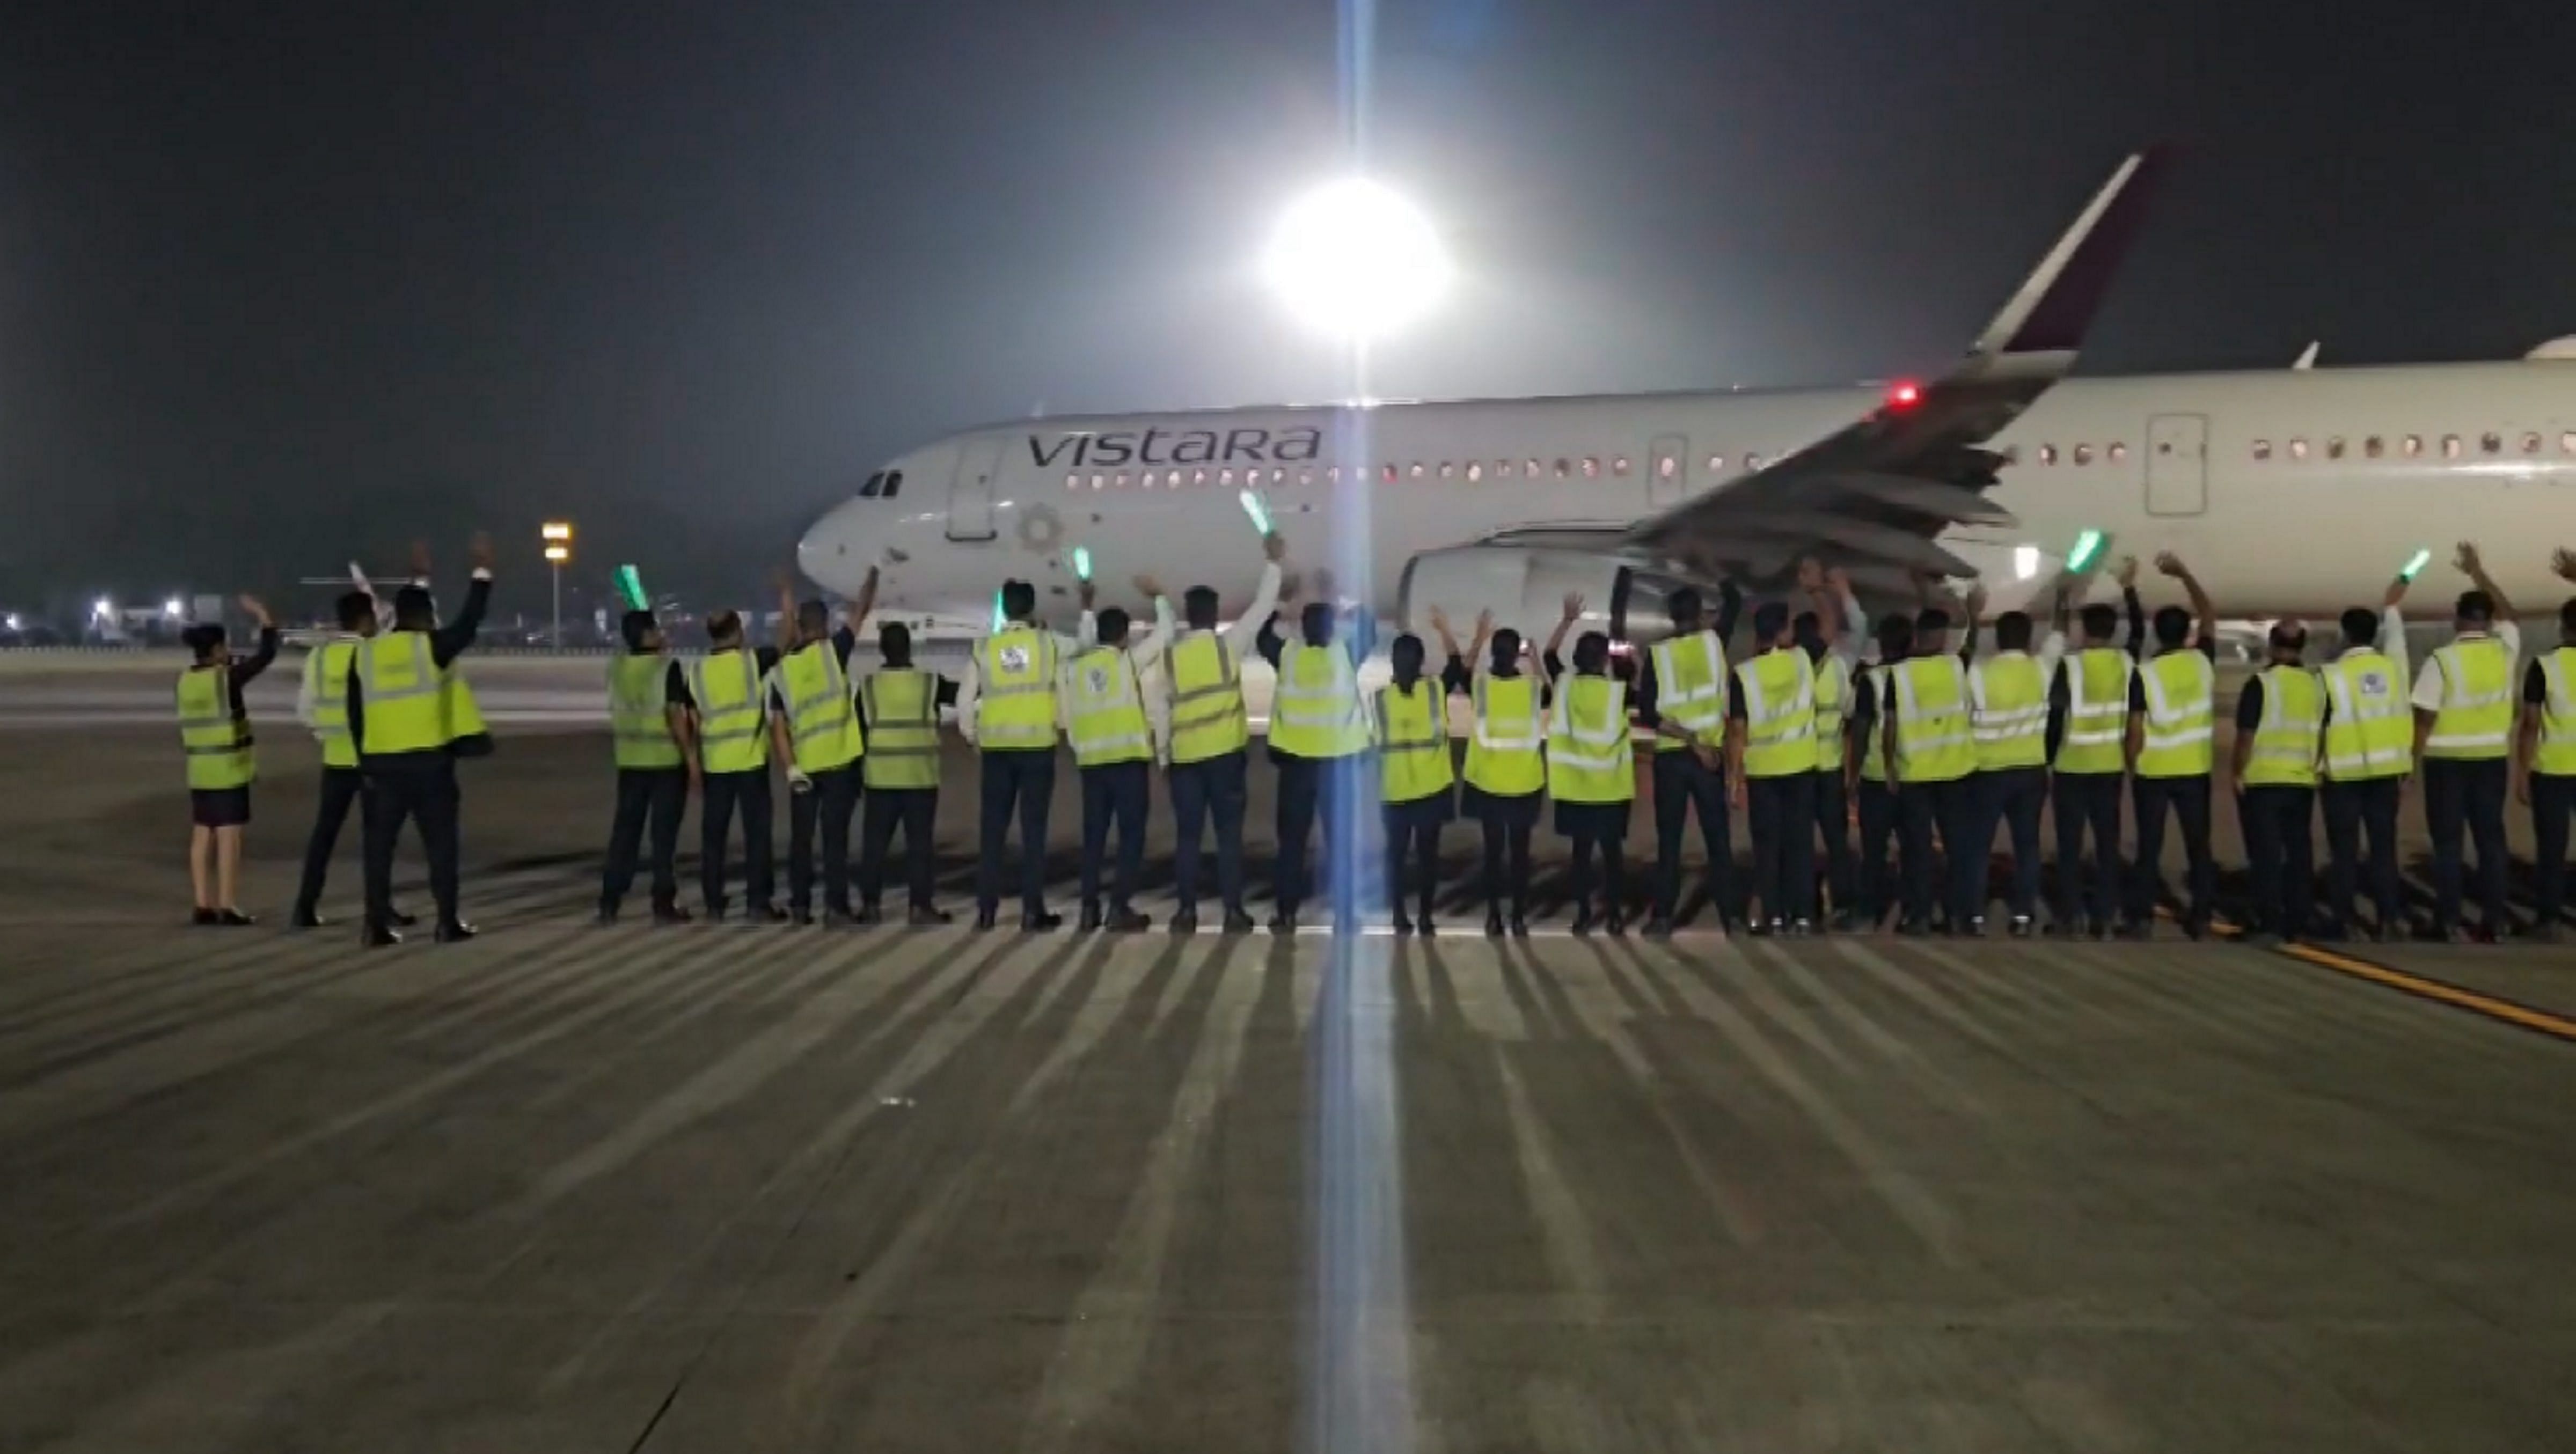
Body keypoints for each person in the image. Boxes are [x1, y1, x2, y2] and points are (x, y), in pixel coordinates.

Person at [348, 533, 493, 945]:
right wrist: (482, 573)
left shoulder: (368, 654)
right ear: (429, 617)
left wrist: (365, 764)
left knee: (379, 851)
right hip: (429, 765)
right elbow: (469, 622)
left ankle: (374, 925)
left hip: (381, 766)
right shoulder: (431, 647)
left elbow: (355, 715)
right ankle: (447, 922)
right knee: (441, 847)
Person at [1160, 532, 1287, 935]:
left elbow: (1161, 711)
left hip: (1185, 763)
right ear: (1214, 614)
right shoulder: (1227, 646)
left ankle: (1185, 913)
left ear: (1188, 613)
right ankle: (1233, 912)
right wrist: (1273, 562)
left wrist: (1164, 758)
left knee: (1187, 839)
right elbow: (1262, 607)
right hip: (1225, 762)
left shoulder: (1172, 657)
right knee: (1229, 840)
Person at [1259, 572, 1378, 934]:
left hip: (1296, 769)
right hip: (1336, 770)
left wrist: (1281, 604)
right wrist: (1345, 598)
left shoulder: (1289, 656)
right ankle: (1345, 917)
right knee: (1340, 845)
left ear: (1303, 629)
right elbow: (1369, 630)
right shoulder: (1344, 656)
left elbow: (1263, 638)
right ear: (1331, 630)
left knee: (1291, 847)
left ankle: (1286, 914)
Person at [2413, 542, 2520, 941]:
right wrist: (2478, 572)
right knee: (2491, 842)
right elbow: (2510, 614)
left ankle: (2449, 920)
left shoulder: (2442, 660)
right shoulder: (2505, 652)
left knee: (2448, 844)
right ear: (2489, 621)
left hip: (2446, 761)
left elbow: (2425, 716)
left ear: (2458, 619)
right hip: (2492, 758)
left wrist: (2410, 762)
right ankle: (2496, 920)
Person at [960, 578, 1079, 931]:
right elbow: (1084, 647)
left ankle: (986, 911)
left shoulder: (984, 648)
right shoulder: (1047, 644)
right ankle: (1032, 911)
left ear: (1005, 608)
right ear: (1031, 607)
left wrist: (973, 737)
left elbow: (965, 700)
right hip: (1037, 749)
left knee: (992, 833)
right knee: (1033, 833)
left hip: (997, 751)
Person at [291, 589, 411, 929]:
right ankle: (380, 908)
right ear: (364, 620)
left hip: (335, 759)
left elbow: (305, 710)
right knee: (378, 839)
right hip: (372, 758)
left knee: (324, 836)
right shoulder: (371, 655)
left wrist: (328, 735)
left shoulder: (319, 657)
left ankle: (305, 907)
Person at [769, 568, 877, 927]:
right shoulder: (834, 654)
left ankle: (800, 905)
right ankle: (836, 908)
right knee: (835, 843)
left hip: (805, 766)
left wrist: (790, 768)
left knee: (801, 842)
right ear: (826, 624)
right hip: (840, 763)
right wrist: (871, 579)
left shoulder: (784, 671)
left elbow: (779, 727)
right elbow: (860, 612)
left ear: (800, 626)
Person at [1636, 581, 1745, 935]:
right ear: (1701, 614)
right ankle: (1732, 916)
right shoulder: (1715, 643)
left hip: (1671, 758)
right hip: (1707, 758)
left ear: (1670, 618)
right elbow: (1734, 600)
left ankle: (1663, 917)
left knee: (1669, 843)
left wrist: (1686, 739)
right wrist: (1715, 572)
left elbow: (1650, 714)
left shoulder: (1658, 655)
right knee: (1718, 841)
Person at [1067, 576, 1174, 932]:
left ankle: (1087, 908)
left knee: (1094, 840)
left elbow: (1068, 715)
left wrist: (1085, 606)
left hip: (1092, 767)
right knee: (1131, 839)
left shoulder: (1077, 668)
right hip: (1127, 764)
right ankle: (1118, 907)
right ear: (1124, 636)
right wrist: (1159, 597)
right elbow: (1165, 635)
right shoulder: (1127, 663)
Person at [2047, 559, 2148, 937]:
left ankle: (2070, 916)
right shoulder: (2125, 663)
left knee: (2069, 849)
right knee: (2108, 848)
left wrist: (2048, 760)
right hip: (2109, 768)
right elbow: (2138, 632)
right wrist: (2130, 590)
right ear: (2111, 631)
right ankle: (2105, 915)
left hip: (2071, 767)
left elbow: (2055, 720)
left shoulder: (2069, 669)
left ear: (2083, 629)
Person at [1439, 606, 1553, 937]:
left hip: (1488, 783)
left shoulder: (1483, 687)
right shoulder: (1532, 689)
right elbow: (1550, 691)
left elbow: (1463, 672)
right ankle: (1518, 917)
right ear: (1516, 655)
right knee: (1520, 855)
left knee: (1493, 855)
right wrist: (1534, 658)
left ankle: (1493, 917)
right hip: (1524, 784)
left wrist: (1478, 637)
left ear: (1494, 653)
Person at [2123, 552, 2219, 939]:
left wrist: (2131, 764)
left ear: (2158, 634)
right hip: (2194, 770)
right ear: (2186, 634)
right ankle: (2201, 916)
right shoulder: (2202, 662)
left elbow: (2135, 729)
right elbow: (2209, 612)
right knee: (2199, 848)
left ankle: (2142, 918)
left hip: (2153, 772)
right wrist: (2185, 574)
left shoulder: (2144, 674)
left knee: (2149, 849)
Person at [2316, 576, 2414, 941]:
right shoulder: (2395, 670)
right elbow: (2398, 643)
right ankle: (2389, 919)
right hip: (2387, 774)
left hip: (2343, 776)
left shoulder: (2331, 675)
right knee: (2383, 850)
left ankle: (2343, 921)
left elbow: (2319, 724)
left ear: (2344, 634)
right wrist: (2393, 607)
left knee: (2344, 854)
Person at [1965, 597, 2066, 936]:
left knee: (1978, 847)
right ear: (2028, 639)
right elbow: (2060, 635)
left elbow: (1966, 657)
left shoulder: (1979, 674)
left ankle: (1975, 917)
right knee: (2028, 846)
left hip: (1988, 771)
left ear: (1998, 640)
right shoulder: (2040, 669)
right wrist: (2062, 598)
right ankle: (2023, 916)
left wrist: (1972, 616)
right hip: (2030, 772)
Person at [177, 597, 277, 925]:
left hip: (199, 770)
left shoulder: (186, 681)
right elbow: (266, 656)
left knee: (202, 834)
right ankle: (228, 905)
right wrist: (264, 618)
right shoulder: (226, 680)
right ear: (218, 648)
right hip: (228, 770)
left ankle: (202, 904)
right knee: (229, 838)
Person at [1882, 603, 1977, 934]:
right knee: (1958, 847)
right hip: (1956, 771)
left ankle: (1920, 916)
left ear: (1918, 636)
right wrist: (1973, 613)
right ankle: (1957, 915)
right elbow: (1971, 646)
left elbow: (1890, 726)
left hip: (1915, 773)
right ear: (1943, 637)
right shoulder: (1957, 665)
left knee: (1918, 850)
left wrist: (1890, 766)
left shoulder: (1900, 675)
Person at [858, 620, 958, 926]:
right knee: (920, 846)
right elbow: (965, 694)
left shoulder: (868, 686)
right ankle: (920, 907)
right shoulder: (929, 682)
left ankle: (870, 906)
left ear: (882, 651)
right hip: (919, 777)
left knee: (874, 847)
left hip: (880, 777)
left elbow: (860, 728)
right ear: (910, 648)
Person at [690, 606, 787, 923]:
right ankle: (758, 903)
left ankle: (714, 904)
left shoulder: (698, 671)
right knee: (757, 837)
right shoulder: (751, 662)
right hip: (750, 763)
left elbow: (691, 717)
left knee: (714, 839)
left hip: (716, 765)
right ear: (737, 632)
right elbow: (786, 642)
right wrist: (786, 598)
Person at [1729, 599, 1819, 935]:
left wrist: (1734, 778)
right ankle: (1803, 915)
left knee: (1768, 848)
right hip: (1801, 765)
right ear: (1785, 631)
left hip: (1763, 771)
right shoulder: (1802, 660)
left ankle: (1775, 914)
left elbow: (1738, 730)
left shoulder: (1744, 674)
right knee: (1800, 845)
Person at [598, 608, 693, 926]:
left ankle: (610, 901)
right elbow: (675, 717)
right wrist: (691, 759)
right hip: (665, 762)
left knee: (624, 836)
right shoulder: (666, 668)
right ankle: (664, 903)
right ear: (649, 635)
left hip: (630, 761)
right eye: (657, 629)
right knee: (663, 839)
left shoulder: (617, 667)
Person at [2233, 620, 2324, 944]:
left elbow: (2246, 736)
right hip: (2301, 779)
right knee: (2299, 853)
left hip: (2264, 779)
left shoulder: (2260, 684)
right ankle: (2300, 918)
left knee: (2266, 855)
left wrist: (2237, 772)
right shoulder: (2315, 684)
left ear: (2272, 645)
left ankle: (2269, 922)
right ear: (2302, 647)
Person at [1551, 621, 1635, 935]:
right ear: (1605, 660)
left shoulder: (1564, 687)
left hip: (1575, 788)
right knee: (1613, 857)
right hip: (1611, 788)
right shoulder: (1618, 693)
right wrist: (1625, 659)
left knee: (1581, 857)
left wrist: (1567, 620)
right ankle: (1614, 915)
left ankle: (1584, 914)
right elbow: (1631, 675)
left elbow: (1548, 657)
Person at [1376, 630, 1455, 935]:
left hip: (1395, 791)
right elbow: (1456, 666)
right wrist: (1442, 629)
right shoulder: (1434, 691)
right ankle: (1425, 916)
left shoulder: (1380, 700)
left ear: (1393, 661)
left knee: (1395, 857)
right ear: (1422, 661)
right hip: (1431, 789)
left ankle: (1398, 914)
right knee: (1428, 858)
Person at [2515, 548, 2576, 942]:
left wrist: (2522, 770)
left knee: (2551, 852)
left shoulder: (2544, 666)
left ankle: (2548, 921)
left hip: (2553, 770)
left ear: (2562, 627)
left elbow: (2530, 724)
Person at [1799, 564, 1865, 928]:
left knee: (1799, 845)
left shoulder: (1793, 669)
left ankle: (1805, 908)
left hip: (1799, 768)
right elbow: (1857, 630)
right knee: (1837, 844)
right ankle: (1844, 906)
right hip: (1830, 770)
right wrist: (1841, 591)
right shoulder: (1841, 667)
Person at [1846, 612, 1912, 931]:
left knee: (1873, 851)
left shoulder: (1870, 681)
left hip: (1876, 776)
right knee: (1914, 848)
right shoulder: (1917, 676)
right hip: (1914, 773)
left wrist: (1852, 775)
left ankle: (1868, 913)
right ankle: (1914, 912)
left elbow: (1860, 732)